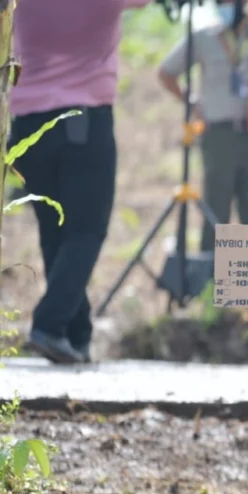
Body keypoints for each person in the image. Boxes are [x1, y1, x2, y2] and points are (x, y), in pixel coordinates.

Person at [12, 0, 155, 365]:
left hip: (26, 126)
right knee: (87, 230)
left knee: (56, 229)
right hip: (82, 121)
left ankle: (75, 336)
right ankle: (49, 323)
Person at [158, 0, 248, 251]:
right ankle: (211, 279)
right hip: (218, 135)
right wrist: (192, 104)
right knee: (217, 209)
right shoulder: (204, 37)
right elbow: (166, 72)